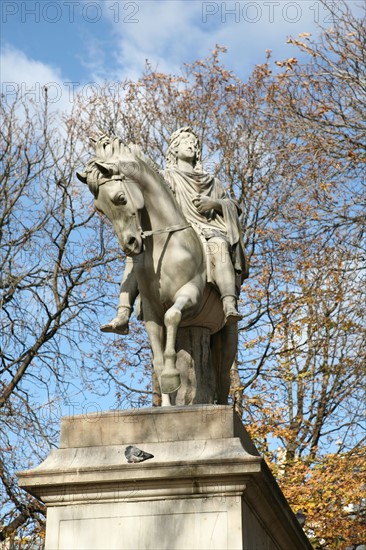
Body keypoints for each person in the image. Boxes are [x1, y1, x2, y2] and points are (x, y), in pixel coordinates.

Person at [101, 127, 248, 334]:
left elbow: (233, 207)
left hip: (207, 231)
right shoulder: (167, 177)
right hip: (175, 233)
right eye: (186, 141)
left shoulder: (213, 182)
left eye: (195, 143)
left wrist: (213, 203)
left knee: (219, 245)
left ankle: (228, 303)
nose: (192, 145)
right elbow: (149, 190)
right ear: (174, 150)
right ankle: (123, 313)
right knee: (136, 255)